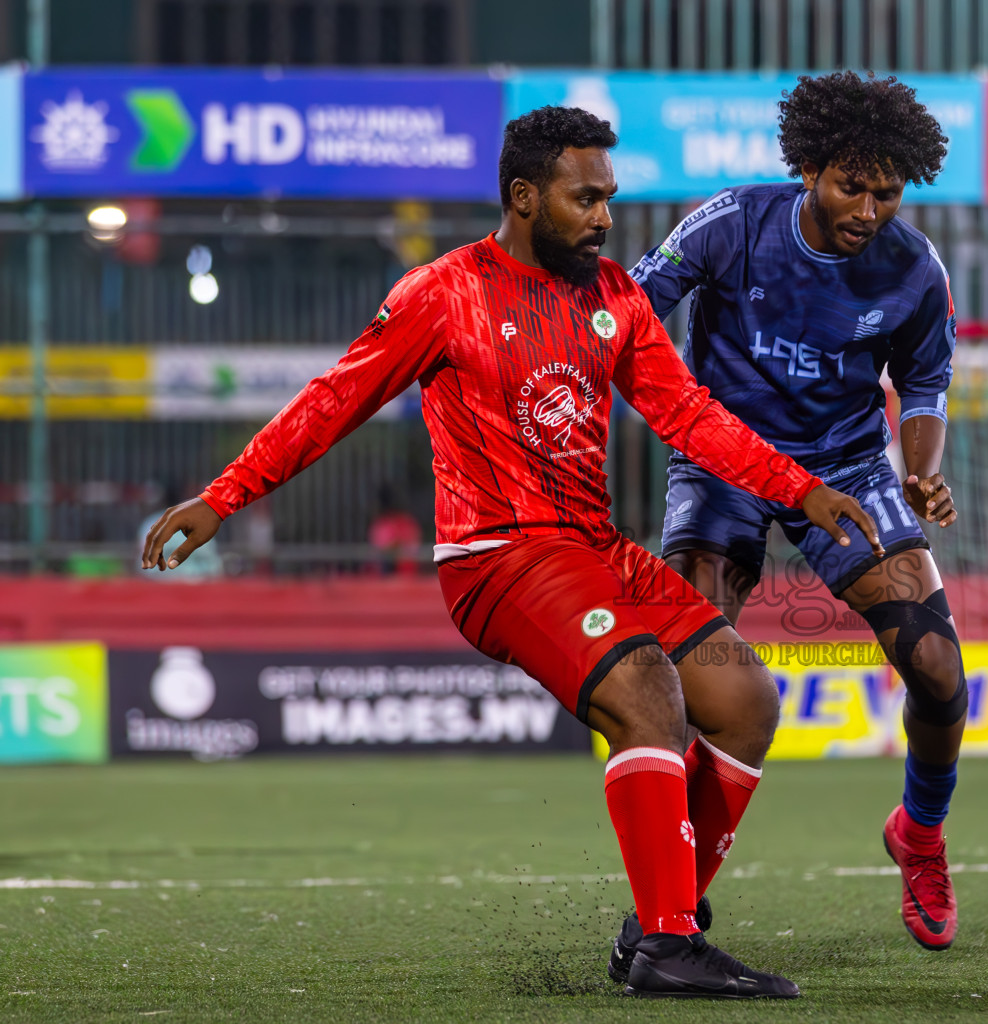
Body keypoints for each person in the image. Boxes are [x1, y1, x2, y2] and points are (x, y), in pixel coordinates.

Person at [141, 106, 883, 1000]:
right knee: (649, 690)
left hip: (596, 550)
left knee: (745, 701)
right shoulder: (442, 293)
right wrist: (226, 495)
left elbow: (686, 412)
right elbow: (334, 401)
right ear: (525, 197)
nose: (605, 215)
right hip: (500, 557)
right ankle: (667, 942)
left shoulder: (613, 296)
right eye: (586, 198)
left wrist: (796, 485)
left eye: (609, 197)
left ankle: (663, 917)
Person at [628, 71, 965, 953]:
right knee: (695, 674)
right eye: (852, 185)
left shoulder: (913, 269)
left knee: (936, 668)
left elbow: (923, 385)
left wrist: (921, 473)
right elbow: (631, 309)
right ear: (810, 167)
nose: (868, 208)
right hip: (723, 458)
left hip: (847, 466)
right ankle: (680, 886)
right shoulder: (734, 221)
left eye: (886, 192)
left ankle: (919, 837)